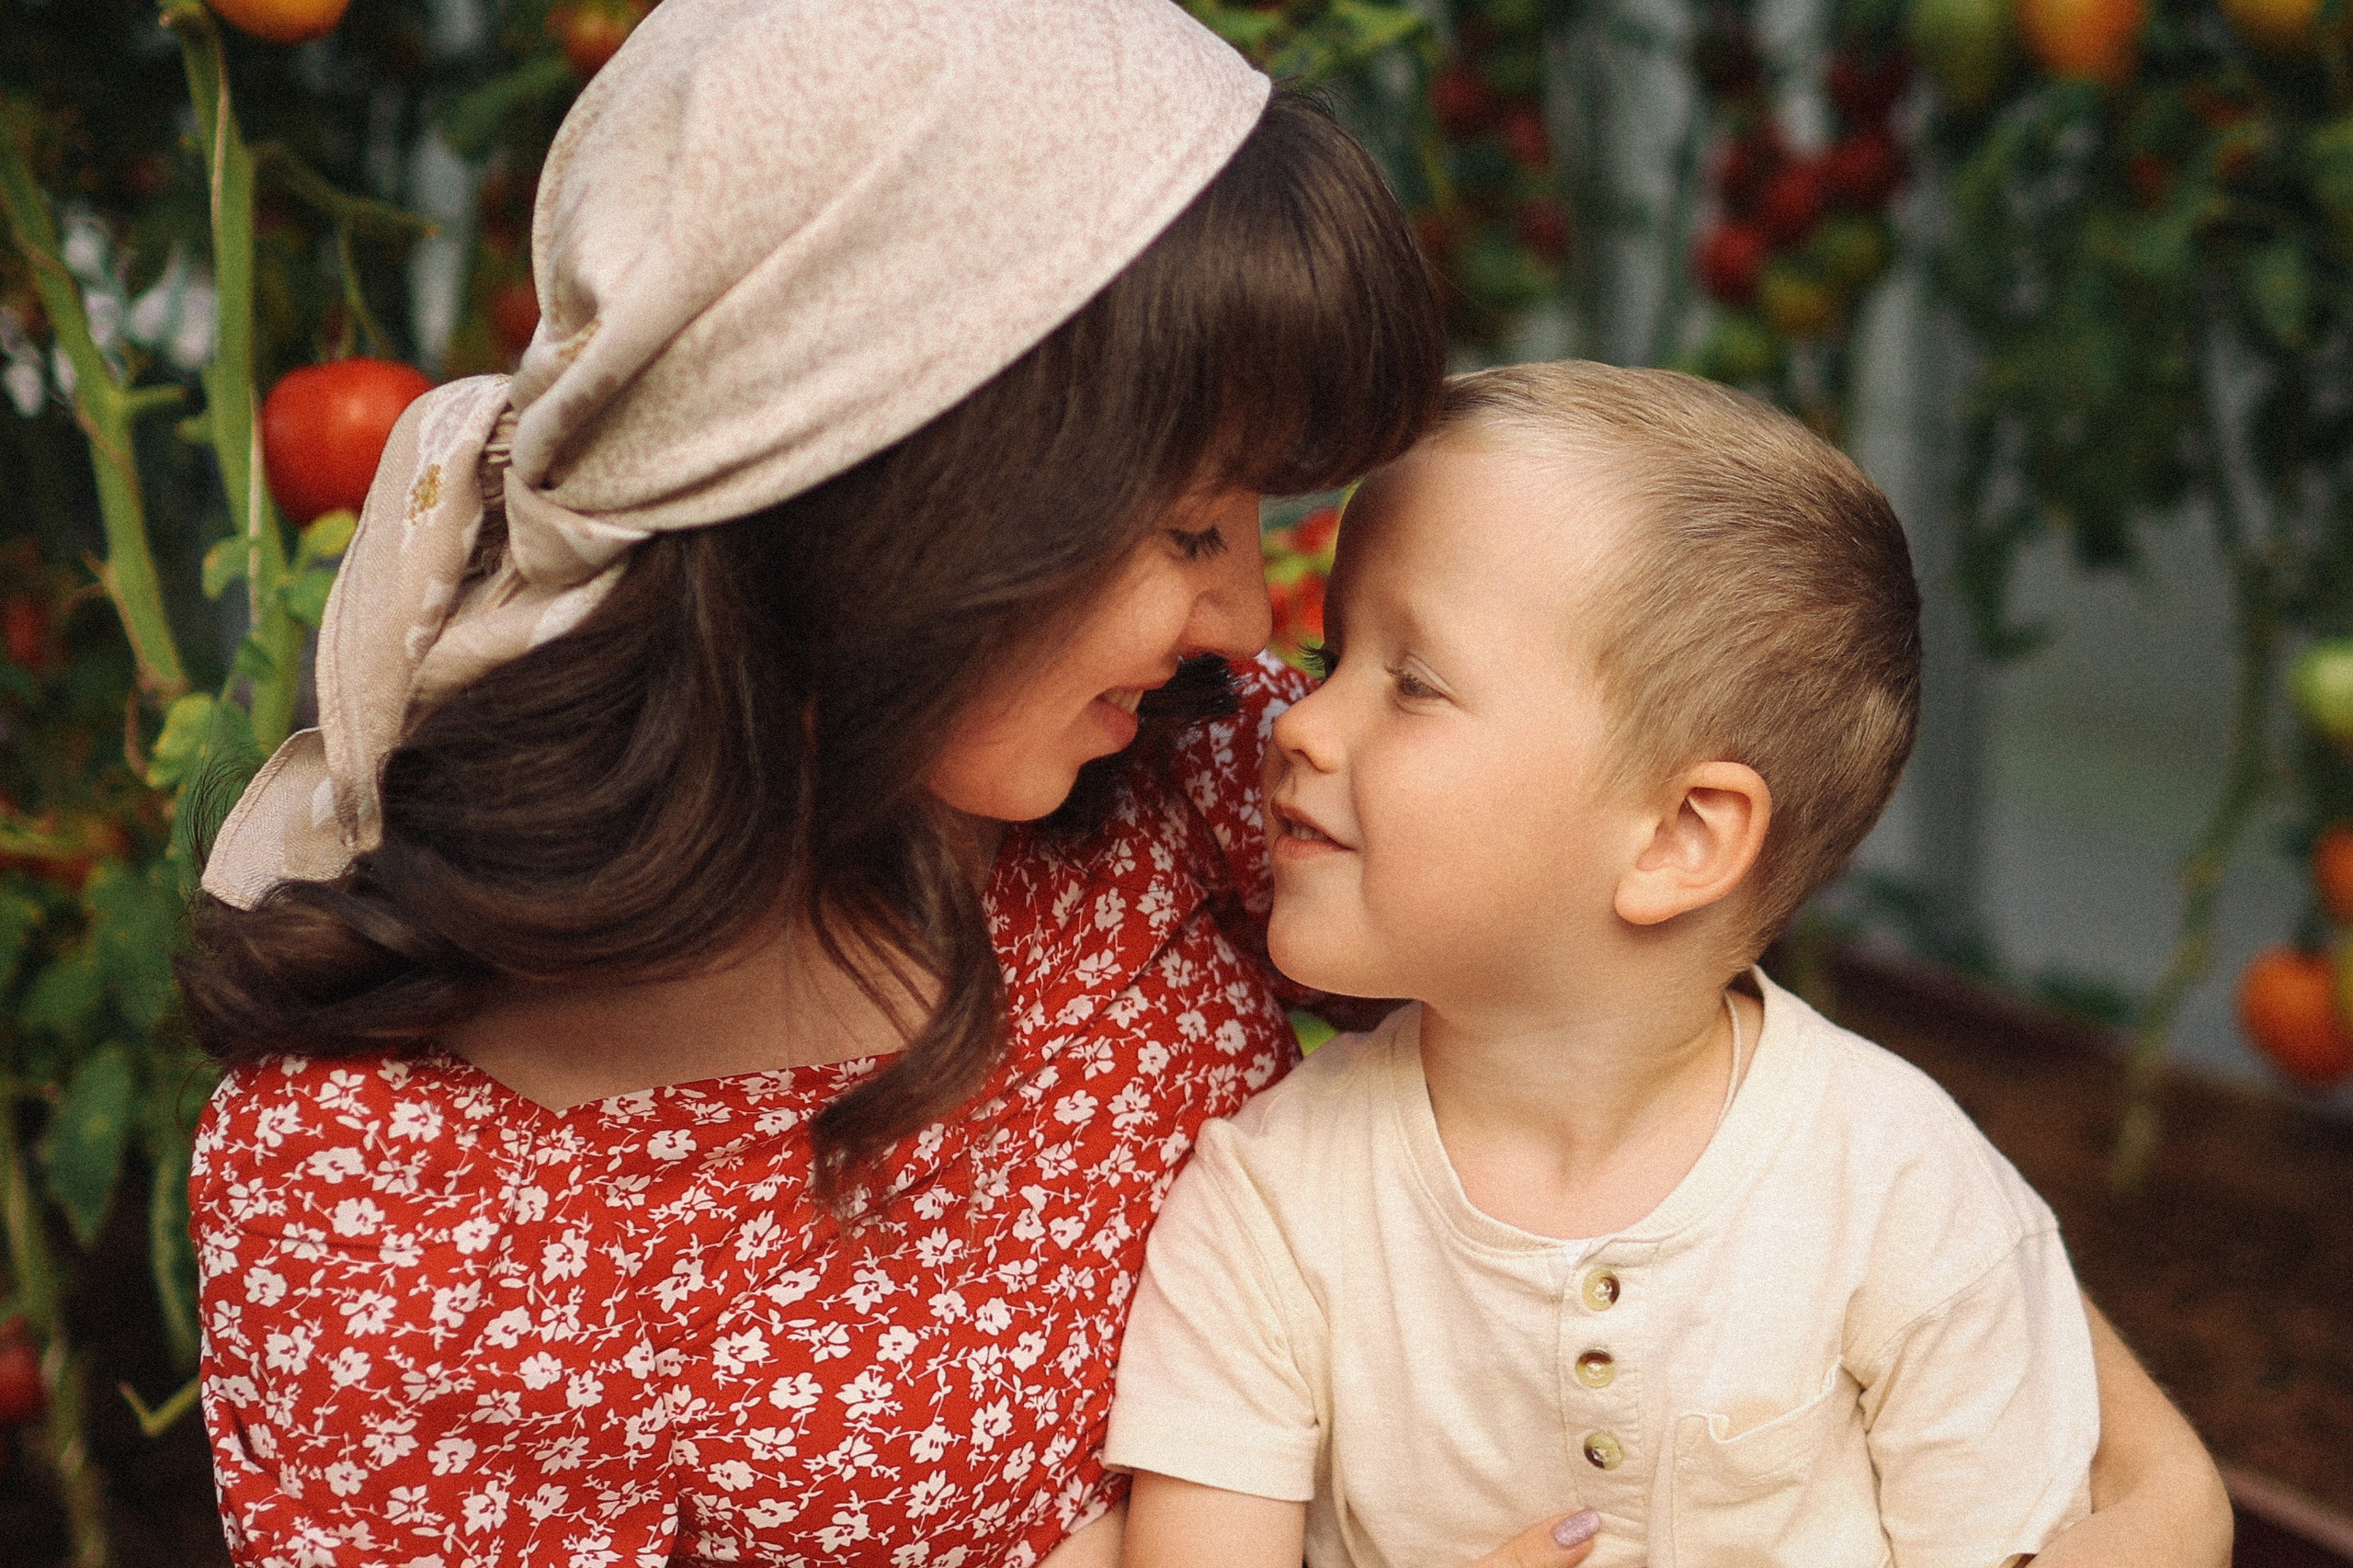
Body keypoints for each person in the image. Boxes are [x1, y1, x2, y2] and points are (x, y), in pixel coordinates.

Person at [174, 3, 2229, 1565]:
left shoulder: (1200, 808)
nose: (1251, 619)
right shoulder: (376, 1211)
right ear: (899, 512)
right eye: (1187, 523)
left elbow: (2058, 1423)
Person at [1107, 363, 2178, 1568]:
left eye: (1411, 681)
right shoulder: (1265, 1207)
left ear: (1680, 836)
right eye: (1332, 656)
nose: (1297, 721)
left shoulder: (1904, 1192)